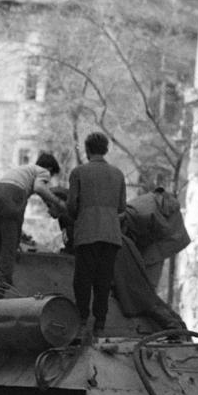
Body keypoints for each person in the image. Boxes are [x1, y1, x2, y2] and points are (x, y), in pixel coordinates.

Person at [65, 132, 126, 340]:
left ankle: (82, 321)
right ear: (106, 150)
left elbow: (72, 205)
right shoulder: (118, 174)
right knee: (103, 280)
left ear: (87, 149)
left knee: (82, 279)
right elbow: (121, 207)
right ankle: (100, 324)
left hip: (87, 232)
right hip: (111, 234)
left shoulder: (78, 172)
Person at [0, 152, 65, 298]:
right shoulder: (43, 171)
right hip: (11, 196)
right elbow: (39, 188)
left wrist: (49, 205)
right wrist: (59, 203)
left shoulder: (24, 169)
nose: (48, 181)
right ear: (49, 168)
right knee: (8, 248)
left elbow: (38, 192)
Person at [122, 178, 191, 291]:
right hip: (160, 233)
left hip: (167, 237)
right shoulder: (134, 211)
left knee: (146, 283)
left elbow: (164, 229)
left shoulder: (142, 213)